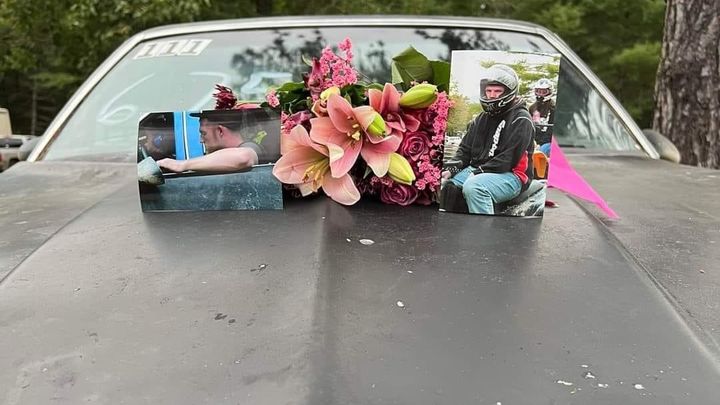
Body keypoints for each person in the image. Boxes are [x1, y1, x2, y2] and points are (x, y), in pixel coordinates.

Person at [441, 64, 535, 215]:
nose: (492, 95)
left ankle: (483, 229)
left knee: (474, 187)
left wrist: (479, 172)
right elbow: (465, 150)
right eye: (488, 91)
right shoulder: (480, 119)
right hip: (479, 169)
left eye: (497, 91)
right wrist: (451, 169)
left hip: (512, 175)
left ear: (509, 92)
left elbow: (509, 158)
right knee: (448, 188)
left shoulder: (522, 119)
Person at [157, 109, 267, 173]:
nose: (201, 140)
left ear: (220, 131)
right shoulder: (224, 161)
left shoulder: (251, 147)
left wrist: (182, 165)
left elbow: (244, 157)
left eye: (203, 133)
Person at [528, 78, 555, 156]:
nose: (540, 94)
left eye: (544, 92)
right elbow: (529, 127)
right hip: (534, 140)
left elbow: (551, 130)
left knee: (540, 152)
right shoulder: (532, 108)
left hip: (547, 141)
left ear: (549, 92)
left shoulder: (553, 108)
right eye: (538, 91)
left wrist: (541, 144)